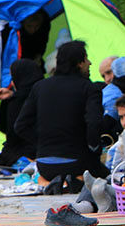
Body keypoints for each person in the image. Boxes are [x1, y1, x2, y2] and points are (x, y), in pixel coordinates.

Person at [14, 40, 107, 184]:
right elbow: (94, 123)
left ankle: (54, 183)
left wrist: (42, 145)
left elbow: (20, 126)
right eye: (86, 59)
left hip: (45, 165)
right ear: (79, 63)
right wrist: (94, 149)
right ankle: (74, 182)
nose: (90, 63)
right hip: (77, 164)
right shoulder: (89, 88)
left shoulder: (40, 87)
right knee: (107, 177)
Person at [0, 59, 44, 169]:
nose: (12, 83)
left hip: (29, 152)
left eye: (13, 78)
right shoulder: (46, 94)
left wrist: (12, 99)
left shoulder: (17, 102)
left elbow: (12, 135)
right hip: (51, 150)